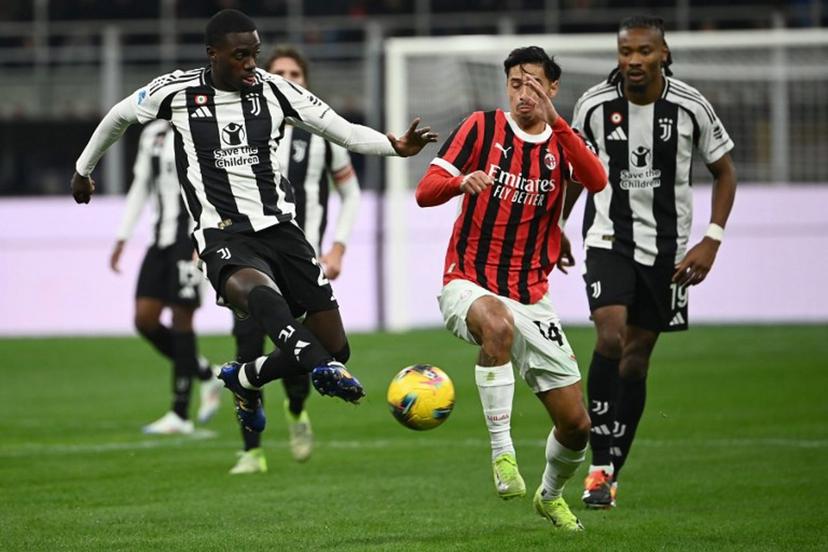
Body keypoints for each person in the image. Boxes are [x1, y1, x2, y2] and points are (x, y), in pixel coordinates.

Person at [70, 9, 436, 437]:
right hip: (222, 233)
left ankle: (246, 377)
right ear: (213, 55)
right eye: (241, 55)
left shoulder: (277, 90)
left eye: (255, 54)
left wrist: (396, 146)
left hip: (281, 230)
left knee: (337, 345)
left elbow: (344, 131)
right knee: (260, 296)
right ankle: (319, 368)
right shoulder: (176, 91)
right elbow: (118, 116)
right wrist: (83, 169)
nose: (250, 63)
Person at [416, 46, 606, 531]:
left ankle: (550, 494)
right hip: (469, 280)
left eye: (535, 84)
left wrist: (557, 223)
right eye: (516, 84)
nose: (525, 93)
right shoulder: (480, 128)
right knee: (496, 327)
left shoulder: (564, 140)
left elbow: (596, 179)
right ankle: (503, 456)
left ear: (553, 88)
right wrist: (460, 183)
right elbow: (424, 192)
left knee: (577, 424)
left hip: (532, 294)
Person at [567, 15, 737, 509]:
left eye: (644, 51)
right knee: (610, 336)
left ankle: (612, 468)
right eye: (626, 52)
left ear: (663, 53)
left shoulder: (690, 107)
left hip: (667, 251)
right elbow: (579, 171)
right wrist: (556, 229)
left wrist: (711, 240)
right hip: (607, 238)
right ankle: (598, 465)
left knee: (636, 363)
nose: (634, 61)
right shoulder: (594, 106)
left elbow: (724, 173)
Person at [229, 46, 363, 474]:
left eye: (295, 73)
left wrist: (338, 246)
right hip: (251, 256)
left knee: (305, 351)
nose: (289, 78)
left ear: (305, 80)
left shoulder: (321, 133)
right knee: (248, 343)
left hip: (299, 260)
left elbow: (350, 192)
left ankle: (296, 408)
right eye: (279, 72)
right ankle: (252, 451)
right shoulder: (240, 127)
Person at [110, 120, 223, 434]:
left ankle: (180, 413)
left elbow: (214, 186)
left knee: (181, 317)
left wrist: (208, 238)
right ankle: (205, 373)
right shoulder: (153, 134)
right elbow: (140, 185)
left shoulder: (203, 129)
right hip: (158, 240)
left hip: (189, 238)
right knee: (144, 320)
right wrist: (122, 236)